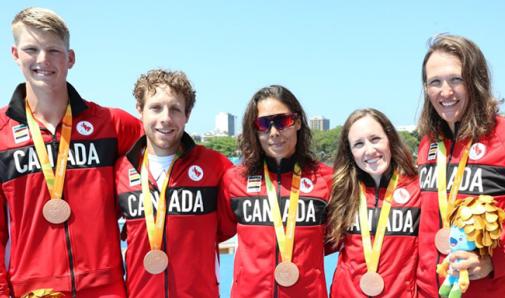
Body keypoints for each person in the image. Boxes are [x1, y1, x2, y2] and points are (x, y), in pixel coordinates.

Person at [0, 7, 142, 298]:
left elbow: (171, 165)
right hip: (32, 290)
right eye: (31, 49)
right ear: (15, 54)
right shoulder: (0, 135)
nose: (42, 60)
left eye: (53, 50)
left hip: (106, 288)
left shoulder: (114, 125)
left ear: (70, 58)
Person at [417, 34, 505, 297]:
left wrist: (496, 261)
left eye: (456, 79)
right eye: (435, 82)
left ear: (476, 81)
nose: (446, 92)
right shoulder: (428, 145)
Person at [115, 69, 232, 297]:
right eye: (156, 107)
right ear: (140, 111)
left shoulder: (216, 166)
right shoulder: (119, 171)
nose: (165, 118)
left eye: (175, 109)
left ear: (187, 115)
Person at [217, 85, 332, 297]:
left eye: (282, 121)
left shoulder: (326, 180)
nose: (273, 132)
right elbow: (215, 232)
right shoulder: (235, 180)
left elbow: (336, 241)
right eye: (262, 124)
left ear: (297, 122)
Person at [326, 109, 420, 297]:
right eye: (358, 144)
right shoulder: (340, 191)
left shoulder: (419, 189)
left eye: (375, 139)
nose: (369, 150)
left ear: (390, 140)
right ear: (351, 152)